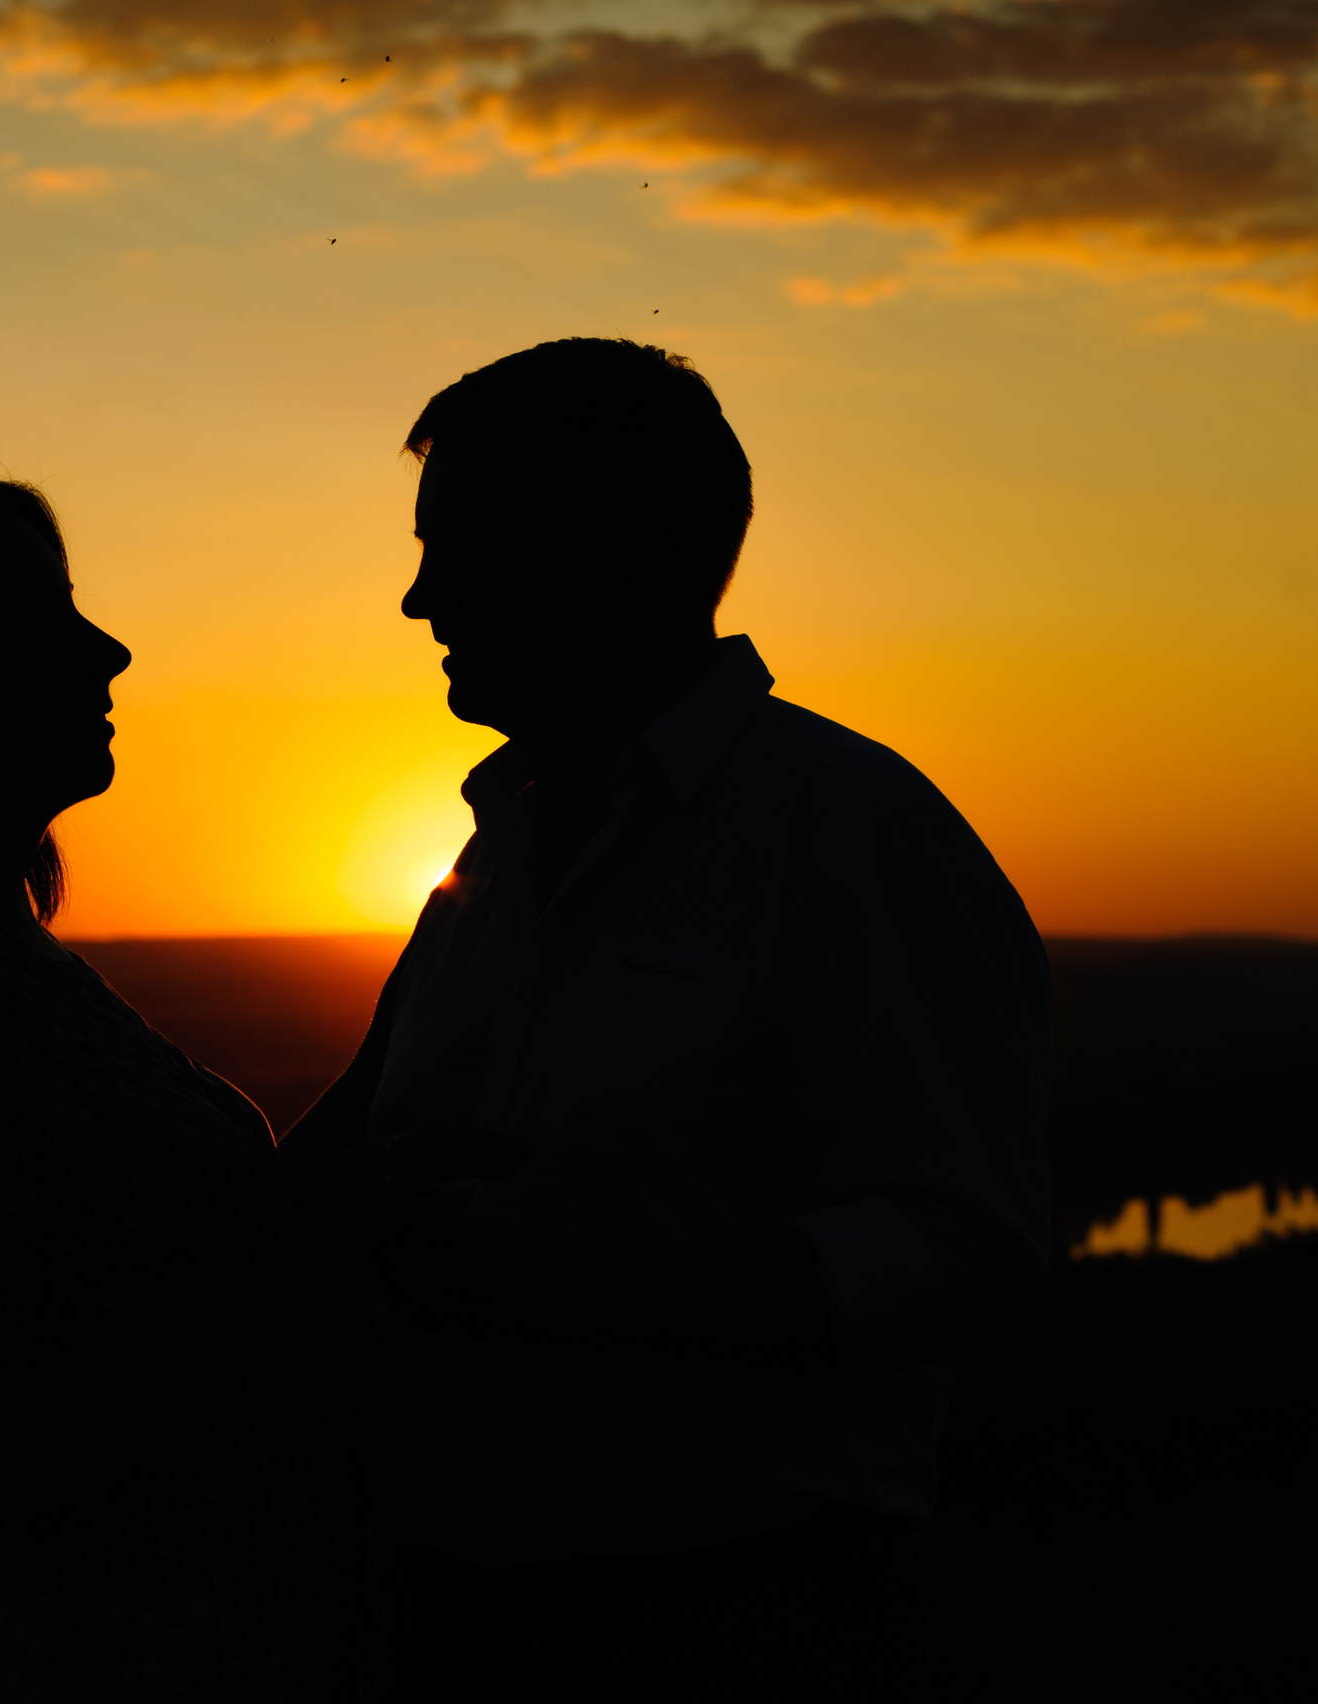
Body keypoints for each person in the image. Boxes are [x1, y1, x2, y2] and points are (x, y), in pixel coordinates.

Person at [280, 340, 1052, 1700]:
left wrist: (569, 1305)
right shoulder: (483, 860)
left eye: (469, 550)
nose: (415, 598)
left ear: (630, 554)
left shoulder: (855, 839)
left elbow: (957, 1252)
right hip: (440, 1612)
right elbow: (343, 1162)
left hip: (742, 1624)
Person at [0, 467, 520, 1701]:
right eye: (42, 620)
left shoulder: (3, 972)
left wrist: (440, 969)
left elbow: (179, 1265)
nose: (111, 650)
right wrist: (309, 1270)